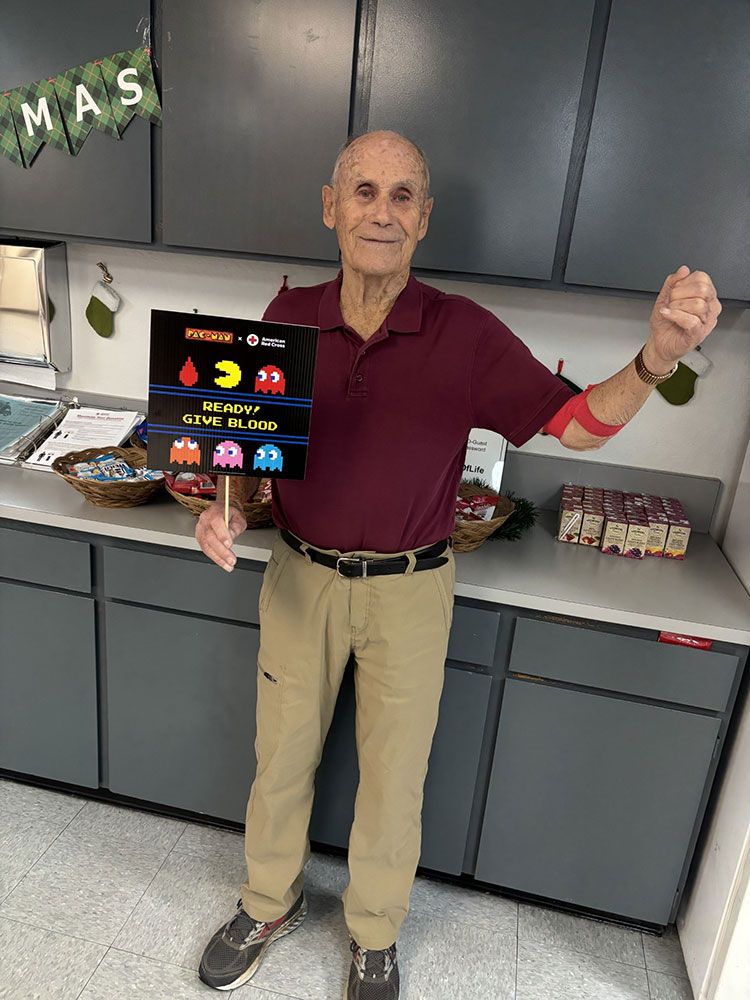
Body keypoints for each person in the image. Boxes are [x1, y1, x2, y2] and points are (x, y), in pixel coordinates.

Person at [195, 131, 721, 998]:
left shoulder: (464, 334)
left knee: (395, 780)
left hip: (410, 589)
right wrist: (223, 514)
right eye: (363, 192)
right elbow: (241, 452)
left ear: (425, 219)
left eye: (403, 196)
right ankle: (267, 901)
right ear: (330, 207)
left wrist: (658, 356)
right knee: (279, 757)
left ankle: (373, 935)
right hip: (299, 575)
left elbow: (576, 424)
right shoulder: (285, 319)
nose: (382, 212)